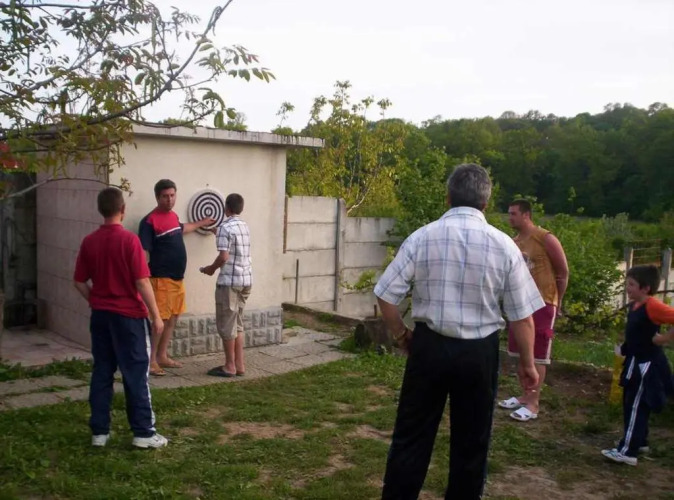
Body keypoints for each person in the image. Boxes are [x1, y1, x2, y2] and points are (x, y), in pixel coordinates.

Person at [374, 163, 544, 499]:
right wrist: (527, 364)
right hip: (479, 355)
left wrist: (402, 335)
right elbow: (523, 317)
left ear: (448, 197)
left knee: (412, 435)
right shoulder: (504, 245)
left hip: (429, 348)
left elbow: (385, 294)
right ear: (486, 202)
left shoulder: (422, 237)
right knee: (472, 440)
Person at [73, 187, 168, 449]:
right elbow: (142, 281)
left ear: (100, 210)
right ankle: (143, 432)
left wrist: (95, 300)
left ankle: (99, 432)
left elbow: (78, 281)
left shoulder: (89, 241)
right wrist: (156, 315)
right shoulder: (129, 241)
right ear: (123, 210)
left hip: (101, 317)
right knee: (136, 373)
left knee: (102, 371)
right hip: (129, 318)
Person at [498, 199, 569, 422]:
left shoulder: (545, 238)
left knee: (538, 354)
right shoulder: (513, 242)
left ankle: (533, 402)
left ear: (526, 215)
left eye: (513, 214)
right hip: (520, 303)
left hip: (543, 302)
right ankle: (524, 395)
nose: (509, 218)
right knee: (521, 351)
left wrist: (558, 301)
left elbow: (563, 272)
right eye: (509, 213)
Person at [139, 179, 214, 376]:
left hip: (177, 280)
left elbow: (183, 228)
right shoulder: (149, 221)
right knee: (160, 321)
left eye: (172, 195)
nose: (169, 200)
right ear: (157, 197)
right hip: (160, 280)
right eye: (165, 196)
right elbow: (143, 252)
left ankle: (162, 356)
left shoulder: (173, 216)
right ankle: (151, 361)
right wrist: (143, 279)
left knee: (173, 319)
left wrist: (202, 223)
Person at [601, 265, 674, 466]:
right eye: (627, 283)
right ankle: (639, 441)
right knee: (631, 403)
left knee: (636, 405)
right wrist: (624, 348)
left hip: (647, 366)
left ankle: (627, 451)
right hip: (634, 361)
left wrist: (664, 338)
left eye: (632, 284)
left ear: (646, 288)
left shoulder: (653, 306)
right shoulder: (635, 305)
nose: (628, 288)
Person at [200, 193, 252, 378]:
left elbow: (224, 256)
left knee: (227, 324)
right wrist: (218, 233)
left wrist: (210, 269)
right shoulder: (244, 226)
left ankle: (229, 366)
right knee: (238, 323)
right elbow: (234, 244)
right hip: (245, 281)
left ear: (226, 207)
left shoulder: (225, 227)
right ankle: (239, 365)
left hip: (229, 283)